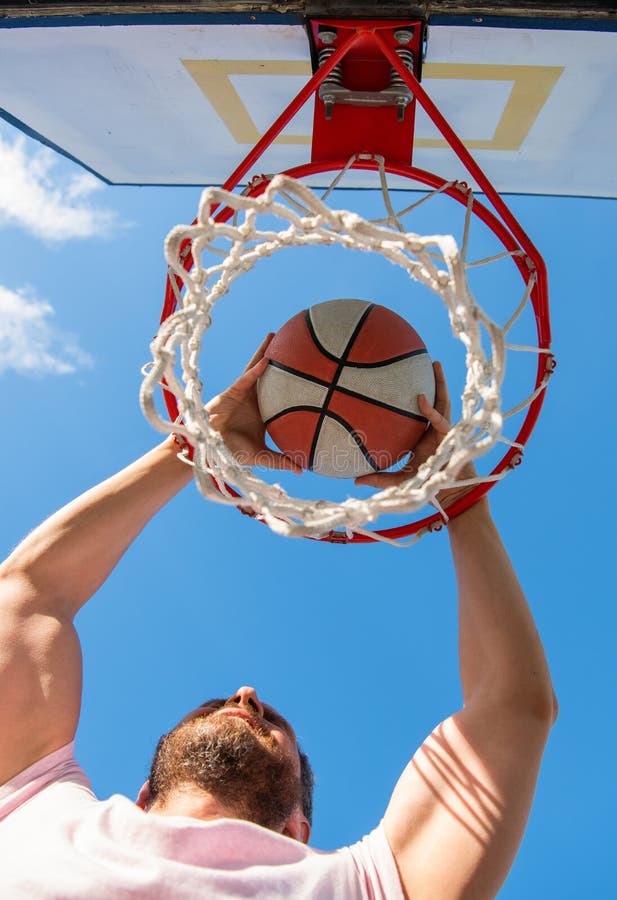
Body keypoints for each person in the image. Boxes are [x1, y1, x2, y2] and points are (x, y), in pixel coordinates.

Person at [0, 337, 557, 899]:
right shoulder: (33, 809)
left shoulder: (365, 885)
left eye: (272, 722)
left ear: (298, 829)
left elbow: (514, 709)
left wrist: (461, 500)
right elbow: (27, 592)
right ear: (143, 796)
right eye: (229, 704)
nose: (245, 695)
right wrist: (196, 447)